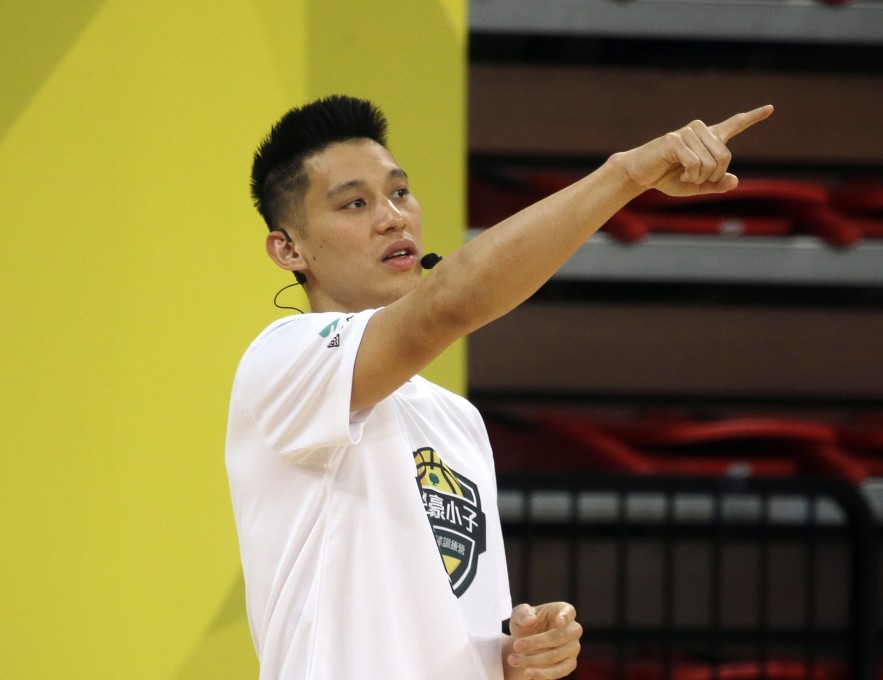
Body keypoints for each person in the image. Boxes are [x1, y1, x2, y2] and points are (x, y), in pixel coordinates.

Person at [226, 95, 773, 680]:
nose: (392, 216)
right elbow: (448, 304)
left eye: (399, 192)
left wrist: (523, 658)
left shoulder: (456, 419)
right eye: (354, 203)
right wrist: (626, 176)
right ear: (289, 250)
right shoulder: (284, 358)